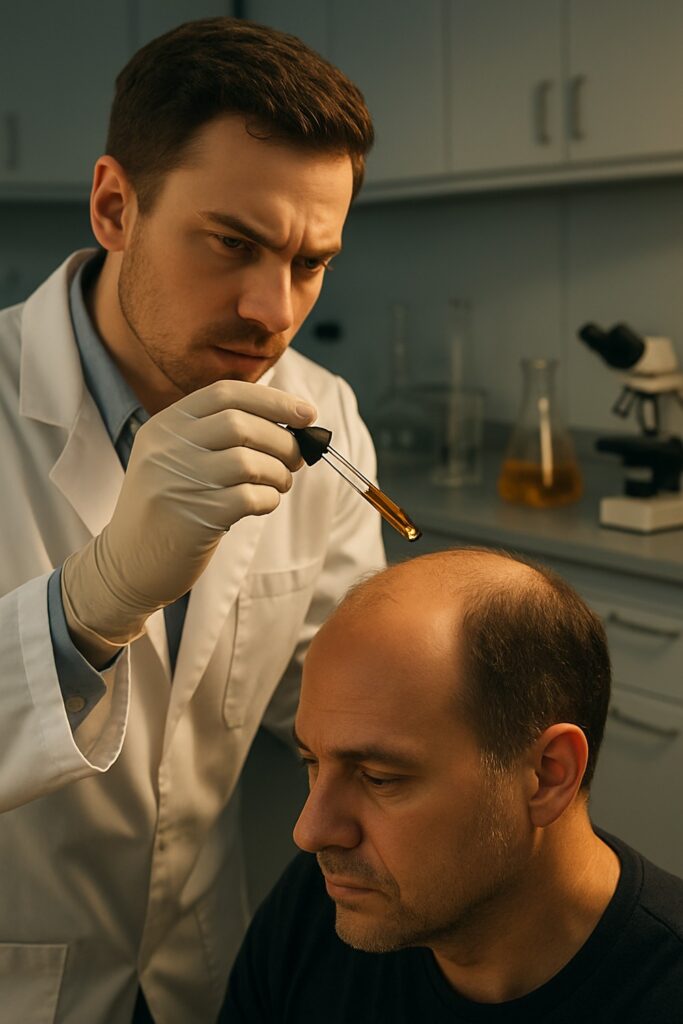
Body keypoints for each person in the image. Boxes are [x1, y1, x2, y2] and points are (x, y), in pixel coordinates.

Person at [0, 17, 385, 1024]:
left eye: (312, 262)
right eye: (234, 244)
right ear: (115, 205)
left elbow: (332, 694)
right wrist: (90, 604)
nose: (273, 309)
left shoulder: (318, 411)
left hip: (196, 969)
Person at [222, 548, 683, 1023]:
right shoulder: (317, 906)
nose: (311, 832)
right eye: (311, 761)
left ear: (548, 775)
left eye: (380, 778)